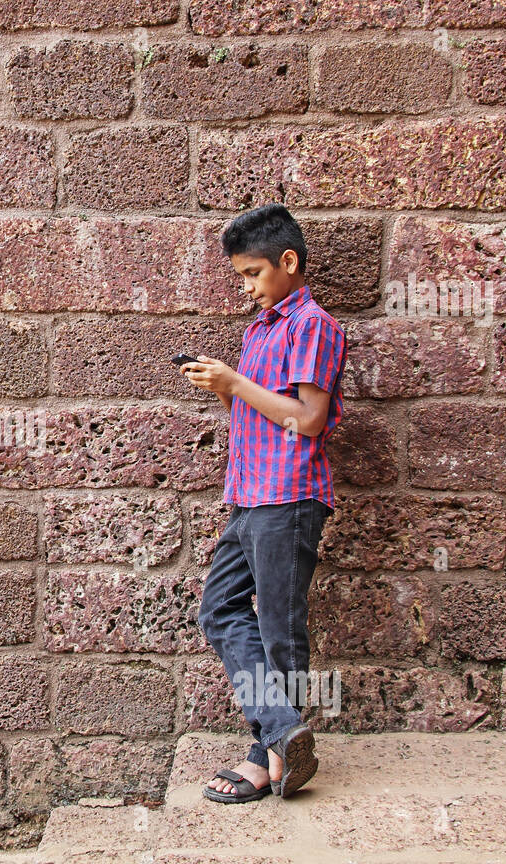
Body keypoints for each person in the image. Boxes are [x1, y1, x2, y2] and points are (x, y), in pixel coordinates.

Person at [179, 203, 347, 803]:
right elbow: (260, 412)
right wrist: (224, 386)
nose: (247, 288)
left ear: (289, 261)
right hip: (248, 496)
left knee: (279, 629)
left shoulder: (314, 326)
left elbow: (308, 418)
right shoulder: (260, 330)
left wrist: (234, 384)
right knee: (219, 610)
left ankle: (269, 755)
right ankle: (282, 731)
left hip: (290, 497)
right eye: (241, 277)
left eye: (253, 274)